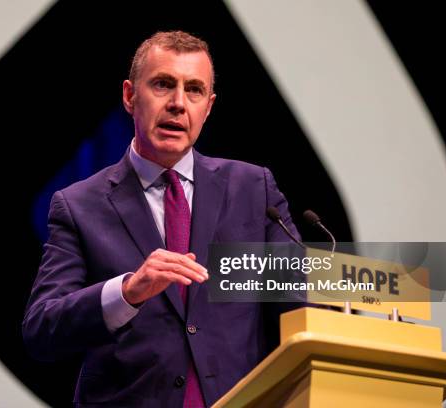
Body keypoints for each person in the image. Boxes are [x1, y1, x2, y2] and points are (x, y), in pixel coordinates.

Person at [23, 31, 302, 407]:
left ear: (209, 106)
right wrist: (127, 291)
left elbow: (302, 299)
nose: (177, 103)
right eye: (162, 84)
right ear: (129, 95)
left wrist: (401, 285)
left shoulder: (253, 190)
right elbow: (42, 328)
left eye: (194, 90)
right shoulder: (79, 206)